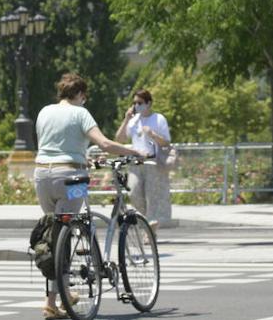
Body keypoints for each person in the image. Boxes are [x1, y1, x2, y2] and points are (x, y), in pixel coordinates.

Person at [34, 73, 142, 320]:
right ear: (80, 94)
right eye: (85, 97)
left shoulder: (44, 112)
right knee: (68, 230)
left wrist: (82, 156)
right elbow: (104, 143)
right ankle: (52, 299)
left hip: (42, 176)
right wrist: (133, 150)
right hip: (71, 177)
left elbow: (55, 146)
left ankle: (60, 295)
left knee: (56, 235)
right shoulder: (80, 113)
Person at [114, 88, 173, 229]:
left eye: (139, 102)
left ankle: (150, 230)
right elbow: (119, 139)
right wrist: (126, 119)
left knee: (152, 197)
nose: (136, 106)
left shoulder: (158, 118)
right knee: (134, 193)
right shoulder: (133, 120)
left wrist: (152, 134)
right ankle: (146, 221)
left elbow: (166, 142)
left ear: (149, 103)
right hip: (135, 162)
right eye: (134, 103)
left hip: (153, 162)